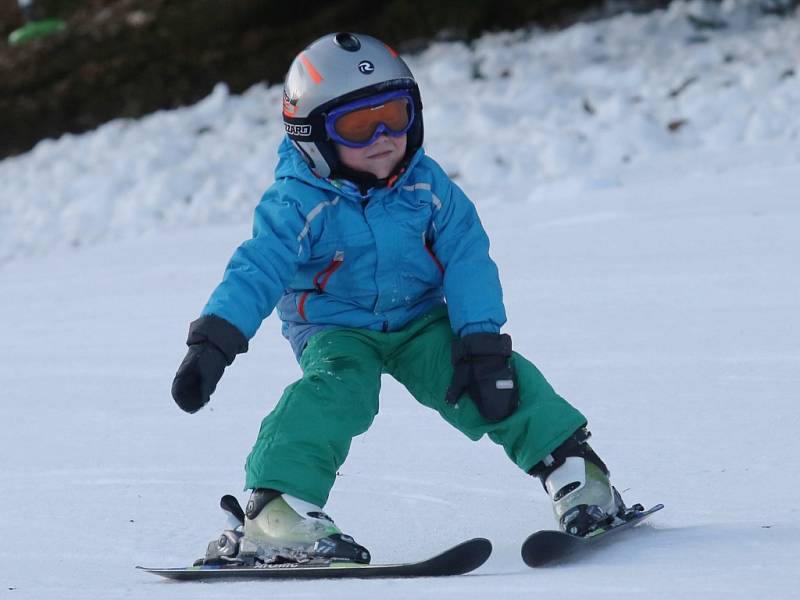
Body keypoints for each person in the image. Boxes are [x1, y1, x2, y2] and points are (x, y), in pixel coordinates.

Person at [171, 32, 629, 564]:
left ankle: (575, 470)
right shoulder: (296, 202)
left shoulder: (426, 185)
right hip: (336, 328)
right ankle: (278, 509)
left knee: (489, 379)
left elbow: (466, 256)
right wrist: (215, 341)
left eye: (396, 113)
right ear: (313, 135)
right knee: (338, 393)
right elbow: (259, 267)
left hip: (420, 320)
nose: (385, 136)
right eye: (359, 125)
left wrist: (480, 339)